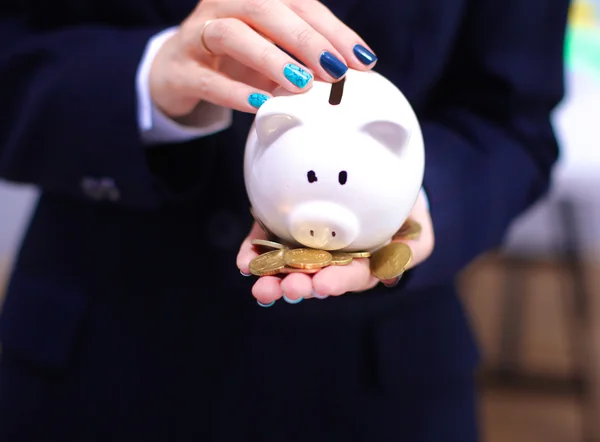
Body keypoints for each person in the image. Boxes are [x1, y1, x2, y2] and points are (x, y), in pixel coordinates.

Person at [0, 0, 569, 440]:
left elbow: (514, 121)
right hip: (90, 367)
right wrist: (147, 81)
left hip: (377, 386)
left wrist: (407, 195)